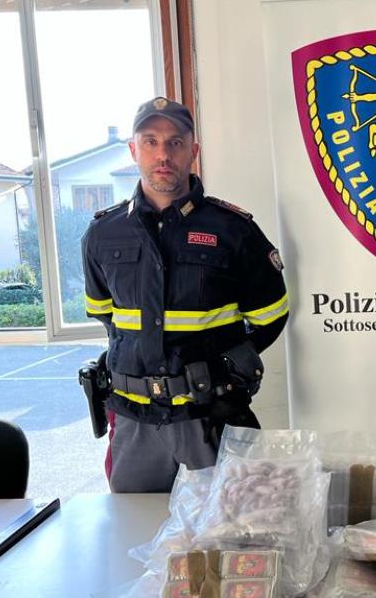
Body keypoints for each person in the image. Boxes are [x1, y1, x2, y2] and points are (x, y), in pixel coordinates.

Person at [82, 97, 288, 492]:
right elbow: (105, 314)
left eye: (175, 142)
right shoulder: (102, 234)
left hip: (211, 416)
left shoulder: (234, 230)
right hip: (134, 421)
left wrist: (226, 365)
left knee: (229, 523)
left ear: (193, 151)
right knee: (133, 523)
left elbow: (271, 316)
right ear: (133, 150)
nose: (163, 154)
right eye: (150, 141)